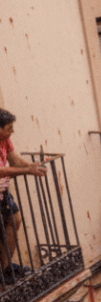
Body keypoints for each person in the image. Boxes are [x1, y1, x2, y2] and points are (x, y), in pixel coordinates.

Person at [0, 108, 48, 281]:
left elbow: (13, 159)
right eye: (9, 128)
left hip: (2, 192)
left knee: (15, 219)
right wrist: (28, 170)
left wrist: (31, 165)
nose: (12, 131)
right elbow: (1, 170)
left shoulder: (5, 140)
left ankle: (6, 268)